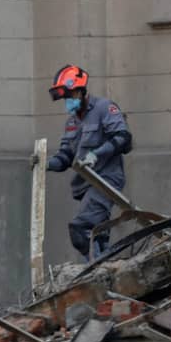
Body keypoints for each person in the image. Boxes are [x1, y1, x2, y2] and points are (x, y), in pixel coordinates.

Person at [34, 64, 132, 261]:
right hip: (86, 186)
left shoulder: (104, 108)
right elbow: (66, 156)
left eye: (69, 96)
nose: (67, 101)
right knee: (98, 233)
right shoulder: (72, 123)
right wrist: (46, 163)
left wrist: (97, 154)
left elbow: (124, 138)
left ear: (80, 91)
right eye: (65, 98)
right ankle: (104, 270)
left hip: (105, 181)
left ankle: (94, 271)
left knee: (81, 229)